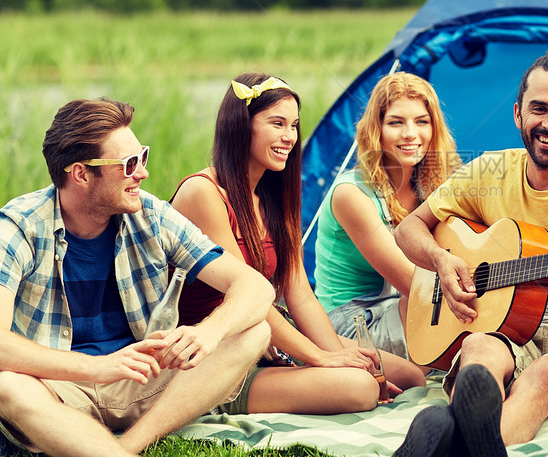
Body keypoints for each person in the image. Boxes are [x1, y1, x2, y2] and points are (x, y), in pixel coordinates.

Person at [391, 46, 548, 456]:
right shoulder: (488, 170)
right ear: (518, 114)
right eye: (539, 108)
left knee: (543, 376)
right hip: (506, 321)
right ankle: (478, 439)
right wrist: (442, 260)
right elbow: (409, 228)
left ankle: (449, 441)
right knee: (477, 348)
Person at [0, 98, 273, 456]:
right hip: (59, 387)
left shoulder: (150, 213)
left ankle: (131, 444)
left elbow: (255, 287)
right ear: (81, 174)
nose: (142, 173)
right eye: (129, 164)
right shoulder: (19, 227)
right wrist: (98, 367)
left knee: (255, 329)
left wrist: (209, 331)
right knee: (6, 386)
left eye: (141, 157)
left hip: (141, 379)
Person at [170, 73, 426, 415]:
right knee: (361, 388)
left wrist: (337, 353)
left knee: (410, 378)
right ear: (241, 126)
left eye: (293, 125)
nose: (289, 136)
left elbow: (300, 293)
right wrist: (320, 358)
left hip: (267, 338)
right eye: (277, 123)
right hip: (215, 357)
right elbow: (247, 300)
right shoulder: (203, 193)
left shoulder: (274, 195)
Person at [314, 72, 461, 358]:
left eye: (421, 121)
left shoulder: (431, 185)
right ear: (376, 129)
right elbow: (414, 285)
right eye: (396, 122)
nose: (410, 133)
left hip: (405, 307)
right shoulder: (351, 195)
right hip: (349, 325)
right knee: (433, 306)